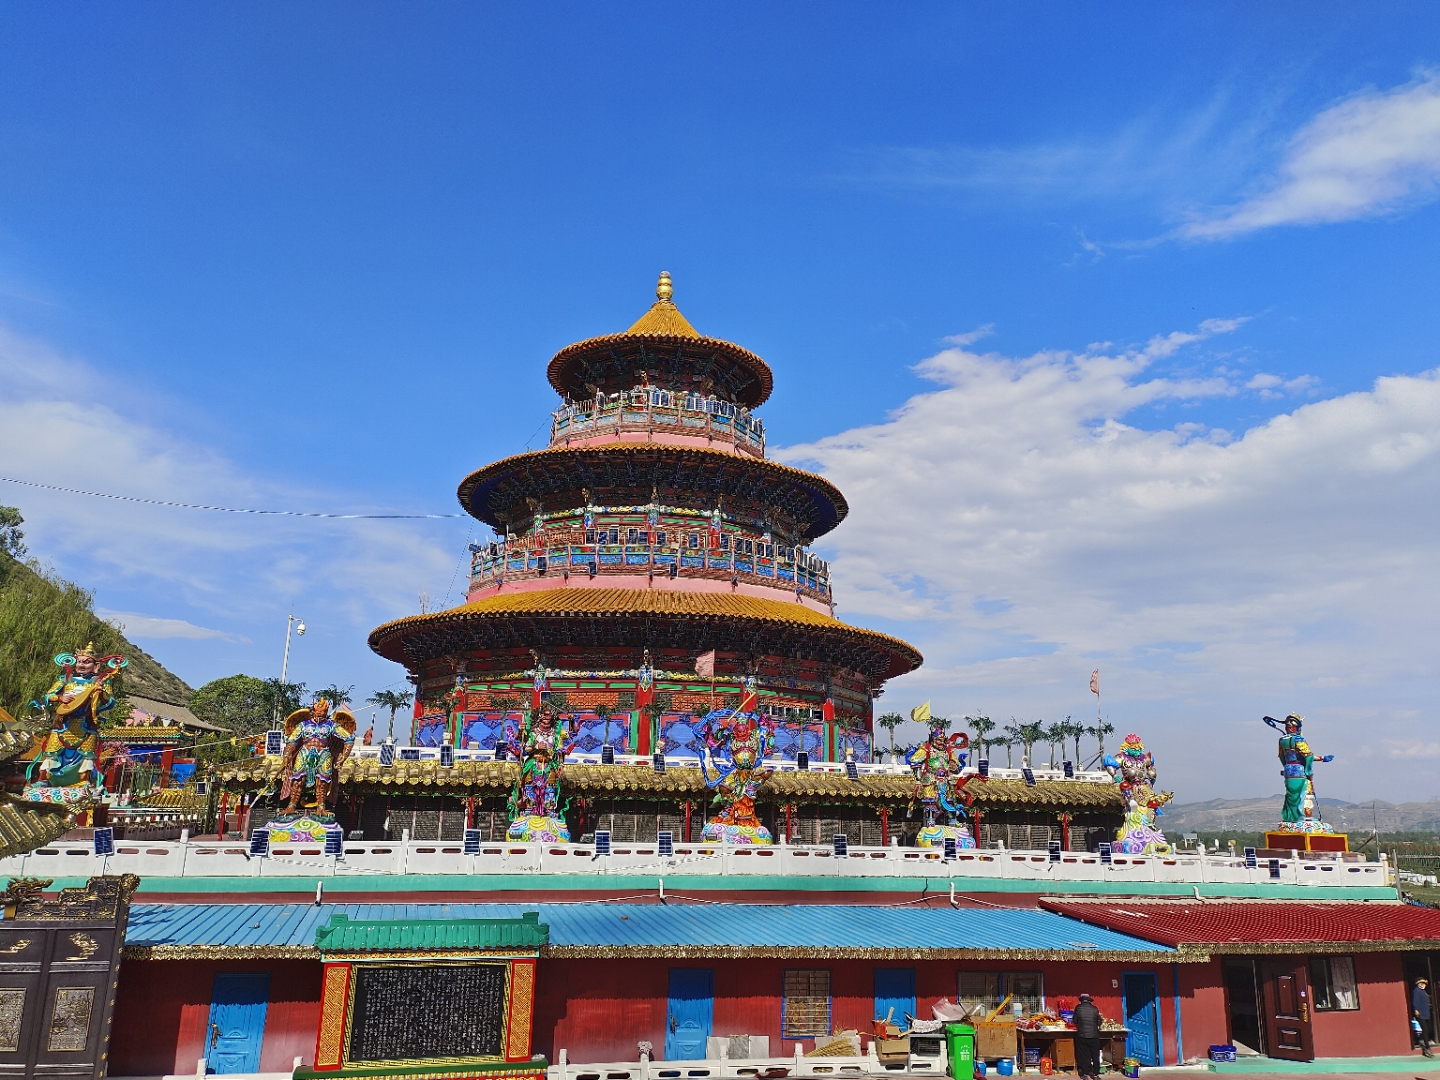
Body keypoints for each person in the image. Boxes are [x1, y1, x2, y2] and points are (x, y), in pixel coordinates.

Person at [1073, 992, 1103, 1080]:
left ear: (1081, 1001)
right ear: (1089, 1001)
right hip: (1094, 1035)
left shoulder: (1078, 1008)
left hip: (1082, 1035)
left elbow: (1075, 1021)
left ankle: (1085, 1074)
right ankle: (1096, 1074)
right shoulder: (1094, 1009)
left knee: (1084, 1055)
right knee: (1095, 1055)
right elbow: (1099, 1022)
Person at [1414, 977, 1433, 1058]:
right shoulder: (1416, 991)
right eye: (1421, 983)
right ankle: (1427, 1047)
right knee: (1425, 1030)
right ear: (1418, 984)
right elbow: (1415, 1001)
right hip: (1421, 1014)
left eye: (1424, 984)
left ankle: (1421, 1039)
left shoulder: (1423, 991)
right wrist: (1416, 1009)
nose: (1423, 985)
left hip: (1426, 1013)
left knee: (1428, 1029)